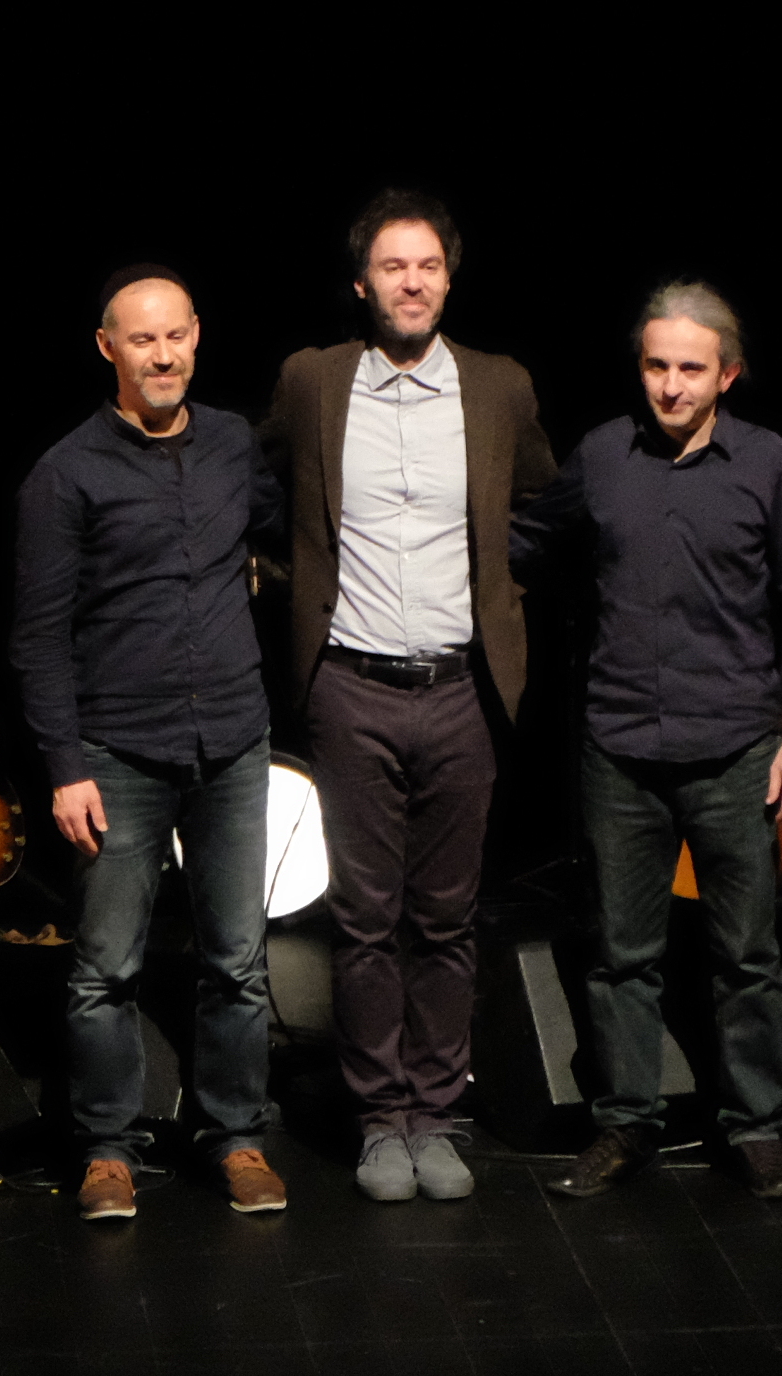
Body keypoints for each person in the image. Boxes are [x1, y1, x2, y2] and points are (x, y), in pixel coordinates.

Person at [261, 190, 557, 1201]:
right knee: (364, 919)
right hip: (350, 685)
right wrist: (289, 583)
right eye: (393, 266)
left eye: (428, 265)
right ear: (362, 282)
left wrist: (498, 588)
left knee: (445, 918)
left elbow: (541, 501)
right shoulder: (312, 381)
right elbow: (261, 489)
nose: (413, 281)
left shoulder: (497, 386)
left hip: (460, 687)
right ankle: (379, 1119)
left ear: (449, 277)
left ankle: (437, 1113)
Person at [511, 281, 782, 1199]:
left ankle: (755, 1128)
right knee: (622, 955)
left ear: (727, 374)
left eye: (691, 368)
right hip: (620, 747)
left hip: (735, 748)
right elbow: (527, 540)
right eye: (657, 366)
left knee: (747, 955)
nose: (671, 385)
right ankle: (626, 1124)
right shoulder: (604, 454)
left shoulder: (766, 462)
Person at [11, 264, 287, 1221]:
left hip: (232, 741)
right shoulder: (65, 474)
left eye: (175, 336)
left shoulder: (233, 443)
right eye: (142, 339)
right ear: (108, 349)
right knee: (105, 969)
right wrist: (65, 769)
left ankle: (237, 1137)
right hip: (118, 753)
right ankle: (107, 1151)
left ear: (197, 335)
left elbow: (278, 536)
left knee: (239, 961)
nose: (162, 355)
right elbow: (39, 638)